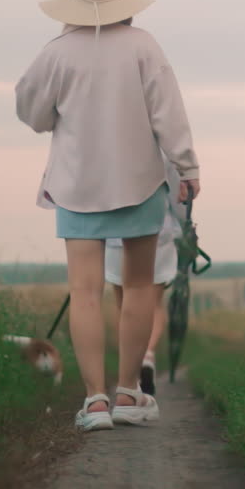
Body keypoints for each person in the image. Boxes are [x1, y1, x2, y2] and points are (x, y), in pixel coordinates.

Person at [15, 0, 201, 431]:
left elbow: (32, 113)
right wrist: (187, 167)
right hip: (139, 182)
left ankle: (94, 402)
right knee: (138, 289)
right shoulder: (144, 45)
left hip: (75, 185)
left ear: (74, 4)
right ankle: (128, 394)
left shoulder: (56, 52)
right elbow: (169, 115)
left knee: (84, 293)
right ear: (122, 2)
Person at [105, 159, 183, 394]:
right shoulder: (161, 148)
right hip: (158, 229)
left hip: (114, 230)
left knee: (123, 305)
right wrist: (186, 224)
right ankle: (147, 353)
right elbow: (178, 193)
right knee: (153, 302)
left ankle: (130, 370)